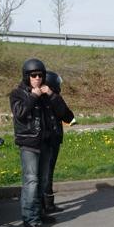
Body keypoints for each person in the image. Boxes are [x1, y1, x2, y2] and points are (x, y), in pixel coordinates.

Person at [9, 58, 71, 227]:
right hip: (29, 144)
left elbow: (66, 115)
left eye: (40, 75)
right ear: (26, 76)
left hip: (46, 143)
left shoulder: (47, 94)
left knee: (43, 182)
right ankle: (30, 221)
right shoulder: (17, 94)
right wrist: (33, 96)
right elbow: (20, 114)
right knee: (31, 182)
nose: (37, 78)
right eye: (33, 75)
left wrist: (51, 95)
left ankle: (39, 213)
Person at [42, 71, 75, 213]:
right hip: (46, 140)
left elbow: (68, 117)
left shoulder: (54, 98)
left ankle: (47, 204)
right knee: (45, 173)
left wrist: (53, 95)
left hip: (53, 139)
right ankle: (45, 205)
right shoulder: (41, 98)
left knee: (47, 172)